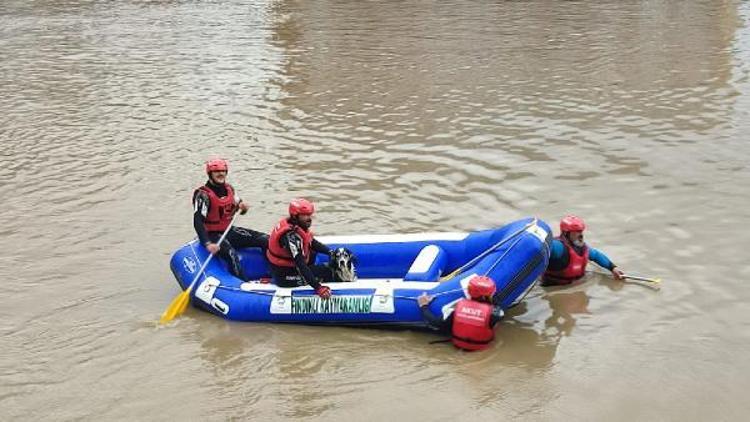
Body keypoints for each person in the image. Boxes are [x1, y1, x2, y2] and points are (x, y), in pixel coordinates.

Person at [192, 158, 268, 281]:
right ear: (210, 174)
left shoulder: (229, 189)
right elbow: (197, 221)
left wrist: (243, 208)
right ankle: (242, 284)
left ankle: (272, 272)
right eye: (216, 171)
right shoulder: (203, 195)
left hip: (228, 230)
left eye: (223, 171)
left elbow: (239, 209)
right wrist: (207, 244)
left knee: (265, 239)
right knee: (231, 255)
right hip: (211, 234)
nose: (221, 174)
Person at [266, 198, 345, 299]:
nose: (309, 218)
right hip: (285, 276)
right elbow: (301, 265)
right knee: (328, 272)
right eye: (305, 215)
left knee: (314, 254)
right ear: (295, 216)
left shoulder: (297, 226)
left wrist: (330, 252)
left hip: (290, 267)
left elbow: (311, 242)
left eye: (309, 215)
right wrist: (318, 288)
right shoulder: (291, 237)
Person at [417, 275, 504, 351]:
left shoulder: (457, 308)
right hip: (483, 349)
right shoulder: (495, 314)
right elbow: (498, 308)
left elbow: (435, 323)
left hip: (457, 346)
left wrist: (424, 306)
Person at [542, 215, 625, 286]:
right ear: (566, 234)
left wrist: (613, 268)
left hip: (576, 286)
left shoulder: (582, 247)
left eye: (581, 231)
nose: (581, 235)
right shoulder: (558, 246)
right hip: (553, 287)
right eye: (576, 232)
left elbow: (596, 255)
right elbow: (544, 247)